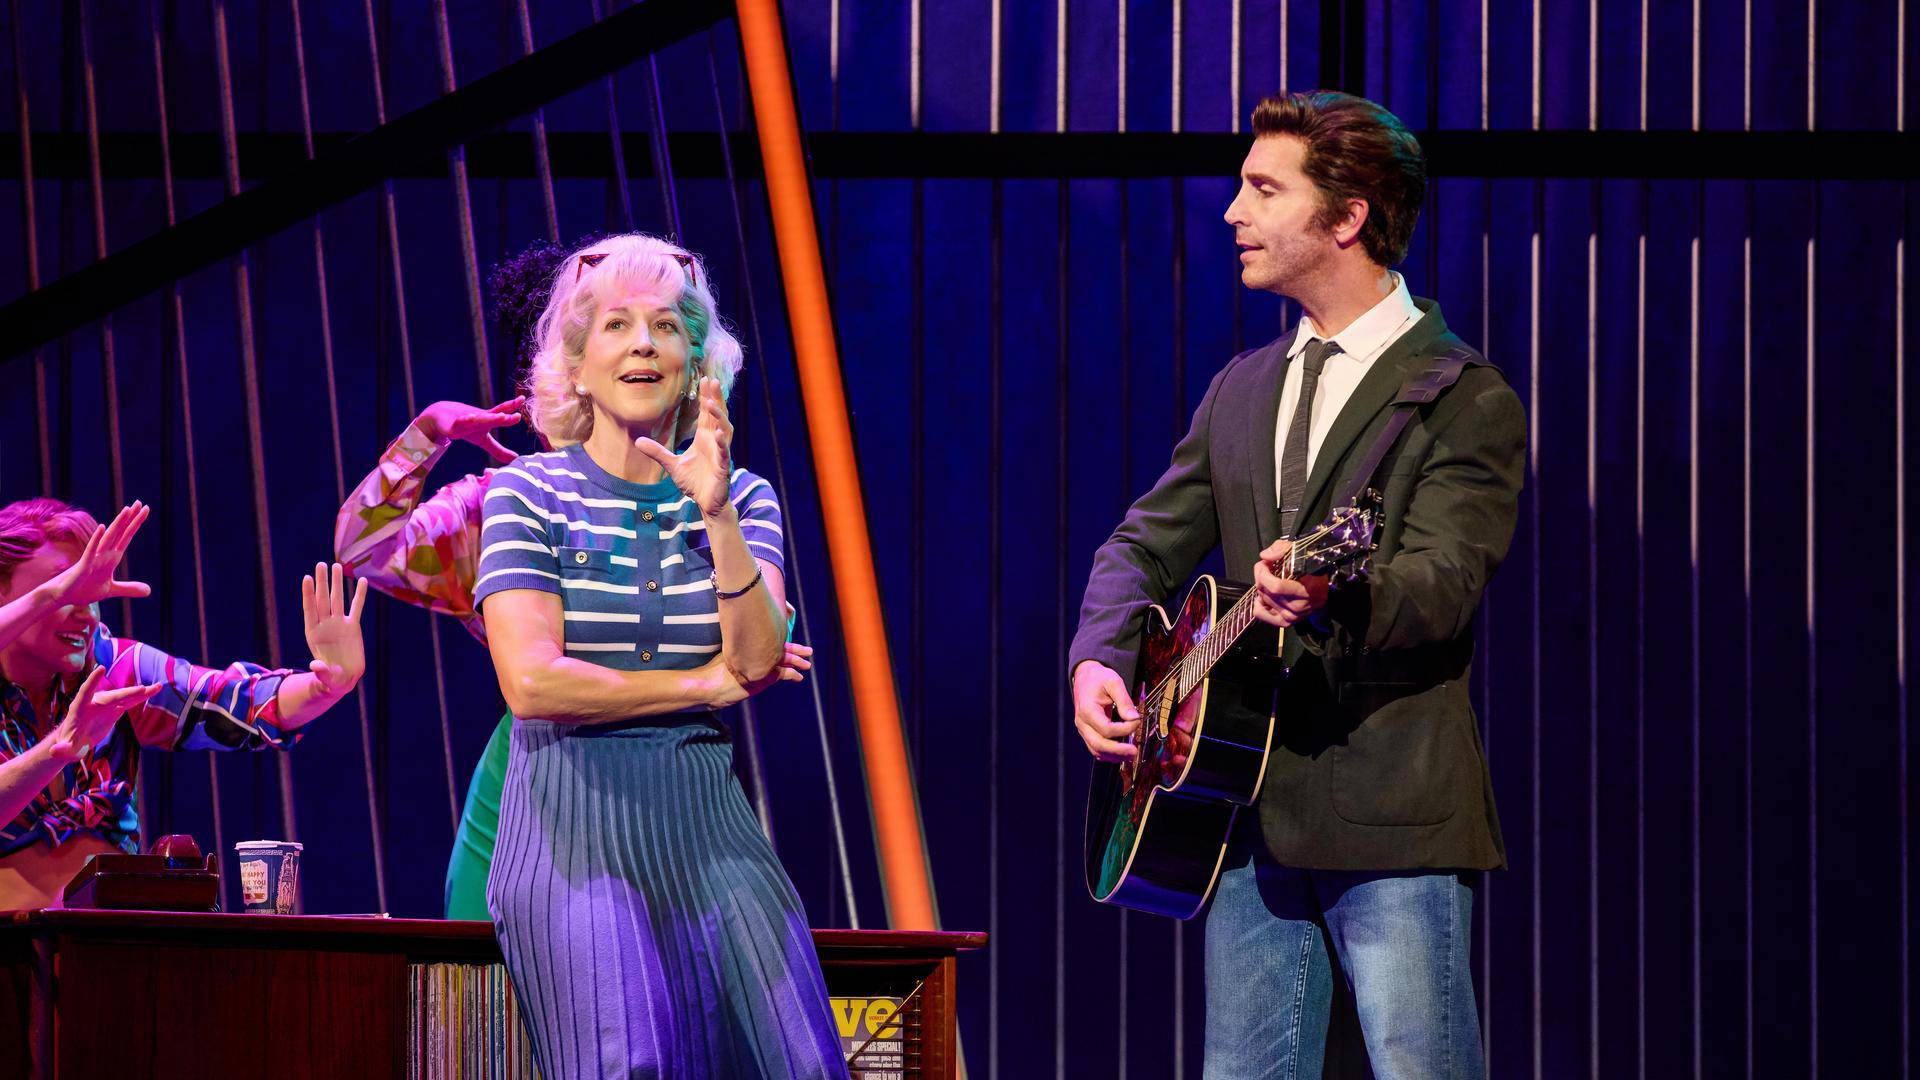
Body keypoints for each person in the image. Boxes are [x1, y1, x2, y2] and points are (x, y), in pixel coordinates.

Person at [1069, 90, 1526, 1079]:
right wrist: (1102, 657)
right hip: (1239, 808)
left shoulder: (1461, 396)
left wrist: (1339, 596)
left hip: (1393, 815)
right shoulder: (1244, 384)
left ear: (1349, 215)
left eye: (1262, 188)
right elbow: (1142, 543)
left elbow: (1444, 581)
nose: (1232, 211)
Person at [472, 232, 846, 1076]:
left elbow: (753, 661)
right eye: (615, 325)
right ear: (577, 362)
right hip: (571, 822)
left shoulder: (744, 498)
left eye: (667, 326)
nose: (643, 342)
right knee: (628, 1062)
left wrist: (713, 514)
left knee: (804, 1062)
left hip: (707, 821)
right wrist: (701, 682)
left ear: (697, 359)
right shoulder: (528, 493)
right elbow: (531, 682)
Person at [333, 395, 811, 920]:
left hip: (677, 773)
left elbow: (761, 647)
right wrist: (425, 437)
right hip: (537, 768)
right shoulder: (511, 500)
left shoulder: (721, 497)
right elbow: (363, 549)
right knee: (482, 985)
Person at [0, 498, 368, 910]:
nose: (85, 615)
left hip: (113, 951)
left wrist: (326, 686)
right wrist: (56, 752)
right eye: (66, 588)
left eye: (92, 590)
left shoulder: (112, 668)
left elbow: (231, 701)